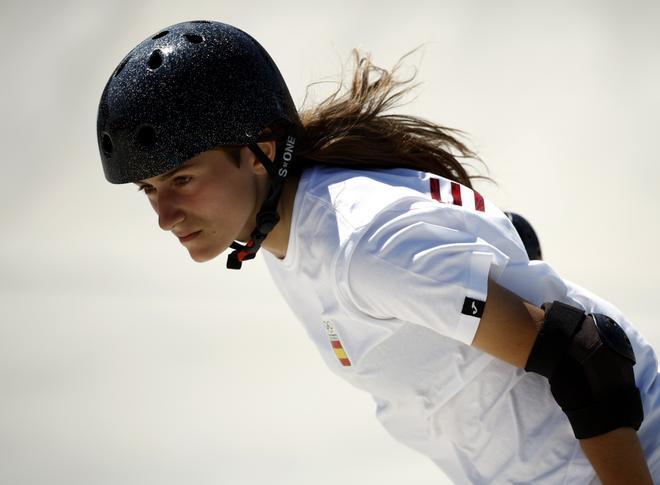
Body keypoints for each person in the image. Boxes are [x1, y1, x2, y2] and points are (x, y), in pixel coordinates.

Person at [97, 20, 659, 484]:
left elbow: (585, 358)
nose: (164, 216)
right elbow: (508, 246)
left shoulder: (360, 243)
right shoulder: (288, 227)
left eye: (182, 179)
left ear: (259, 152)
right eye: (149, 190)